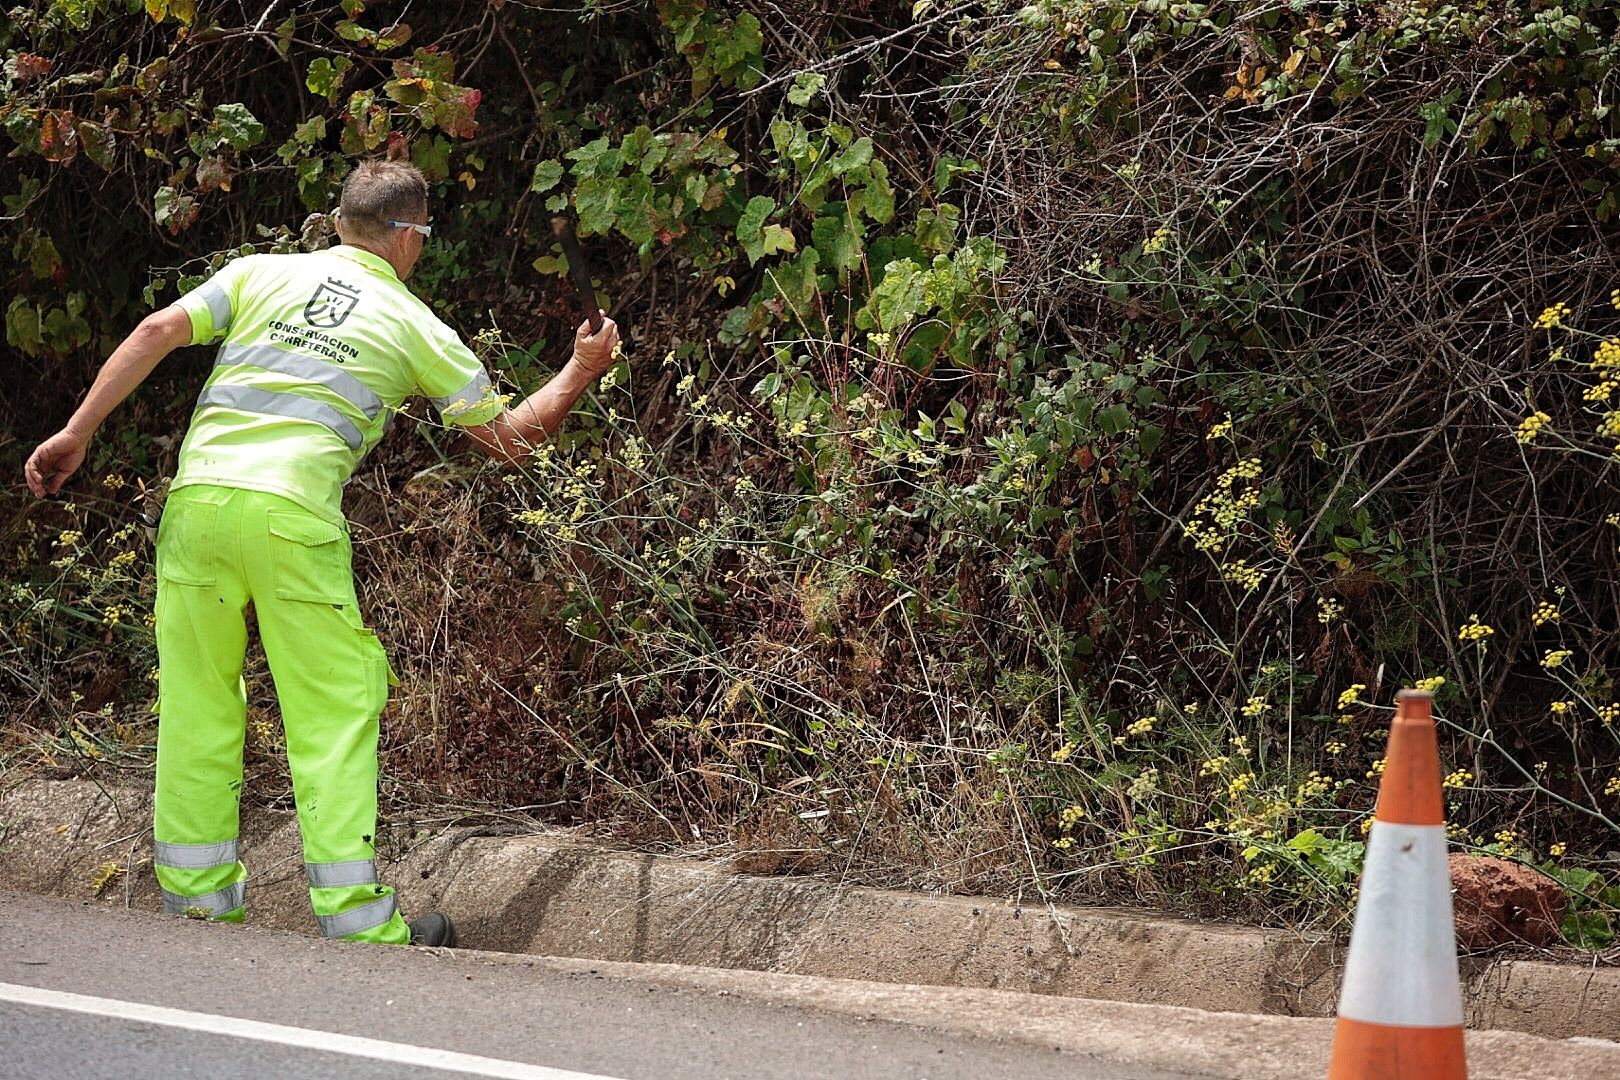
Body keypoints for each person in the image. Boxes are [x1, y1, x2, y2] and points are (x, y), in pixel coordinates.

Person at [24, 160, 619, 947]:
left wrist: (79, 429)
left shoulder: (259, 272)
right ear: (410, 238)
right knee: (333, 710)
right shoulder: (415, 327)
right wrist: (581, 369)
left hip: (196, 506)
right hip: (292, 521)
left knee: (199, 702)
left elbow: (155, 330)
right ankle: (357, 921)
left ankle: (200, 907)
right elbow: (508, 441)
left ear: (340, 223)